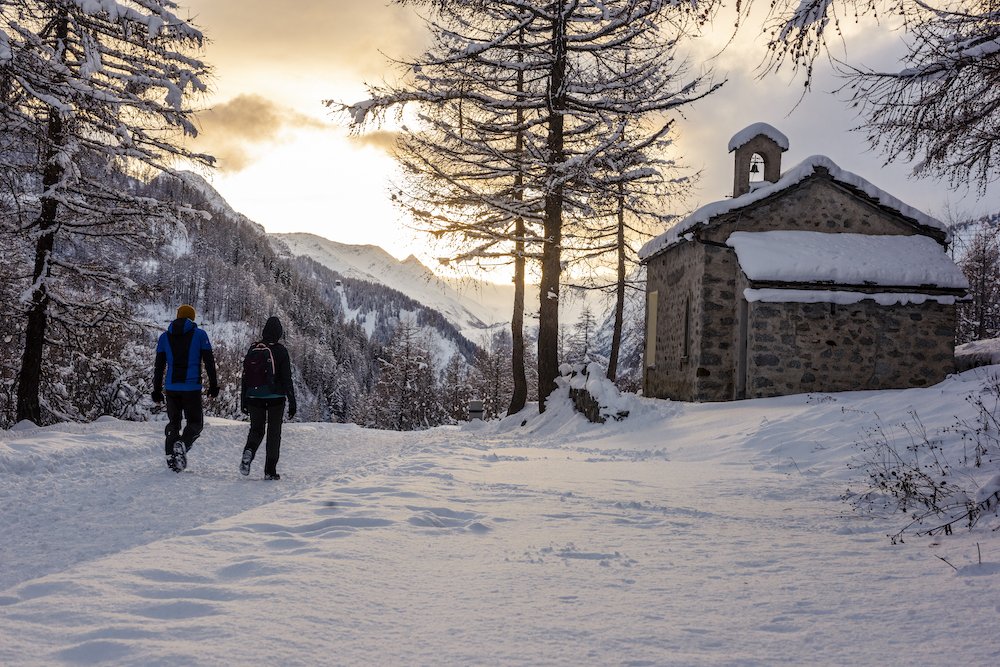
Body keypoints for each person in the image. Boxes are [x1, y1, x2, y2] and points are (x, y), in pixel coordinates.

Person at [152, 304, 219, 472]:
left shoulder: (164, 337)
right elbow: (209, 362)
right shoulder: (200, 335)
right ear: (192, 318)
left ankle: (171, 456)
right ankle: (183, 443)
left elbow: (159, 366)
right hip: (191, 388)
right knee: (195, 423)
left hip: (171, 388)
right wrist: (213, 385)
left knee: (174, 423)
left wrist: (156, 389)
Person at [240, 316, 296, 480]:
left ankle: (249, 451)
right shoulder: (281, 351)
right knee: (273, 433)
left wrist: (243, 399)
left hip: (254, 396)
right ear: (279, 333)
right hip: (276, 398)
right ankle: (270, 471)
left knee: (256, 430)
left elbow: (245, 377)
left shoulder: (254, 348)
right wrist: (292, 402)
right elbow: (287, 379)